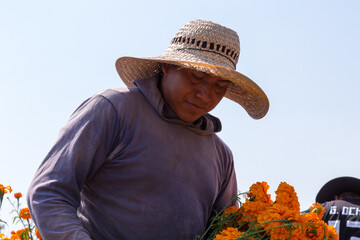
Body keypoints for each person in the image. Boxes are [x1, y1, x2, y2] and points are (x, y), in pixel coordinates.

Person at [27, 19, 269, 240]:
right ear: (166, 67)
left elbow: (225, 231)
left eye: (219, 85)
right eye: (196, 76)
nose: (205, 95)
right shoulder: (114, 110)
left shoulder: (221, 156)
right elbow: (48, 193)